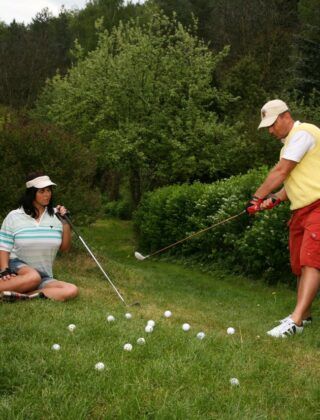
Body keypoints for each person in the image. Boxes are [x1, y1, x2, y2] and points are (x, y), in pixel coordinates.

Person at [246, 99, 320, 338]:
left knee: (311, 260)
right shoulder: (289, 144)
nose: (269, 130)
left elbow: (282, 170)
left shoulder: (303, 133)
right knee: (299, 264)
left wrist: (256, 197)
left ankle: (295, 321)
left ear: (285, 116)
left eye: (272, 124)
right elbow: (295, 179)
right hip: (301, 209)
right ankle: (305, 315)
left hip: (318, 206)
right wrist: (276, 198)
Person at [0, 172, 78, 302]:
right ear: (32, 193)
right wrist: (4, 270)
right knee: (32, 277)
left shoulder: (56, 216)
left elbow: (65, 248)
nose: (47, 194)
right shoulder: (14, 216)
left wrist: (65, 222)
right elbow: (3, 245)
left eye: (49, 190)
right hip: (15, 267)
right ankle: (17, 288)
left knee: (71, 289)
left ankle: (22, 296)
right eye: (42, 191)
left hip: (43, 275)